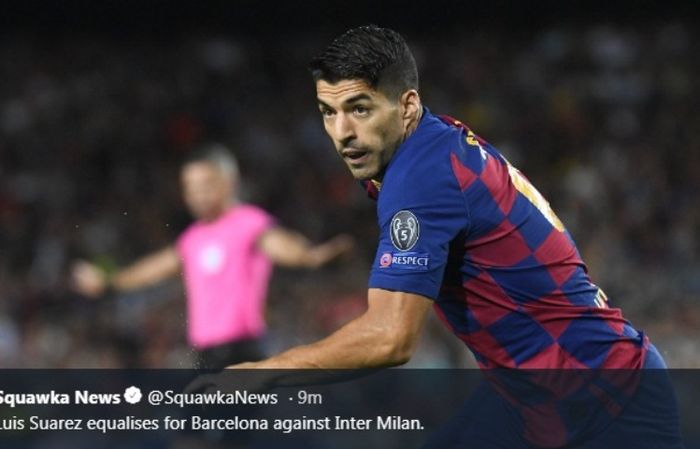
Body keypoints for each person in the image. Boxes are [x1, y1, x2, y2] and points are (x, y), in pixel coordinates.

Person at [187, 26, 684, 448]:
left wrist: (262, 373)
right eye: (327, 112)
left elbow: (390, 338)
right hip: (533, 395)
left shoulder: (420, 179)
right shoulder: (424, 145)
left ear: (406, 106)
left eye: (360, 109)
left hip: (605, 403)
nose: (342, 132)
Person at [71, 144, 353, 370]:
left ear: (229, 182)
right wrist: (109, 282)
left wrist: (311, 256)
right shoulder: (193, 237)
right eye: (190, 187)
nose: (197, 195)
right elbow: (155, 268)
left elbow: (280, 244)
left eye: (205, 184)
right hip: (206, 356)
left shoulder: (248, 222)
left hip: (242, 351)